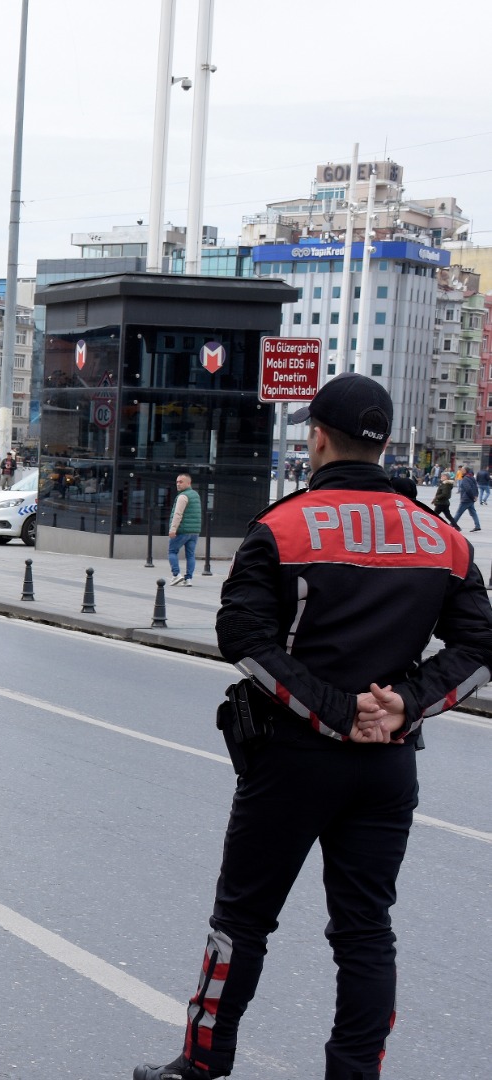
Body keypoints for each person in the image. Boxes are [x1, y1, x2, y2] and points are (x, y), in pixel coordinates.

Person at [133, 373, 492, 1080]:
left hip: (292, 758)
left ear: (317, 438)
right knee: (365, 932)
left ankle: (200, 1066)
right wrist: (403, 703)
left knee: (241, 920)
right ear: (384, 442)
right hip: (388, 762)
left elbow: (240, 636)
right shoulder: (444, 539)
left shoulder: (282, 527)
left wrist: (331, 710)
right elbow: (478, 647)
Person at [167, 471, 201, 586]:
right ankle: (189, 579)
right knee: (190, 555)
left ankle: (176, 575)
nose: (178, 484)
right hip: (194, 532)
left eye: (181, 482)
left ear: (188, 483)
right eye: (177, 482)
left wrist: (173, 529)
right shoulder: (196, 495)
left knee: (172, 551)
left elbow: (178, 514)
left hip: (182, 531)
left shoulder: (183, 496)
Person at [452, 466, 480, 532]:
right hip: (470, 499)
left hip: (466, 499)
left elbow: (468, 489)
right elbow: (476, 487)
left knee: (459, 513)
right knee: (473, 513)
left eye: (462, 470)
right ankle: (477, 526)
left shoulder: (465, 478)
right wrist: (475, 496)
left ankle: (451, 525)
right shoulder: (471, 477)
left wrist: (473, 496)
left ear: (465, 471)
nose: (461, 471)